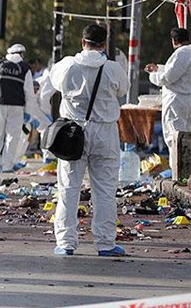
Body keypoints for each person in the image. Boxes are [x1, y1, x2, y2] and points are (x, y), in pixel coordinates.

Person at [49, 24, 130, 257]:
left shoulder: (66, 65)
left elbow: (54, 84)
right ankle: (105, 243)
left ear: (82, 41)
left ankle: (65, 243)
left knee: (68, 189)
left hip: (73, 133)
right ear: (104, 44)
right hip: (105, 133)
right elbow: (123, 90)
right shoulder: (113, 68)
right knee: (105, 191)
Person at [0, 43, 39, 172]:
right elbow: (29, 93)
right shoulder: (24, 68)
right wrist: (28, 112)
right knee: (12, 137)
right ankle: (7, 166)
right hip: (16, 107)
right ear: (22, 54)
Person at [145, 27, 191, 154]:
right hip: (187, 100)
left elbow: (167, 78)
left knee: (175, 138)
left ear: (174, 41)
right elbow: (179, 71)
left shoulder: (181, 53)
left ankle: (179, 172)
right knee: (187, 139)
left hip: (177, 102)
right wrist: (158, 68)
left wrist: (153, 74)